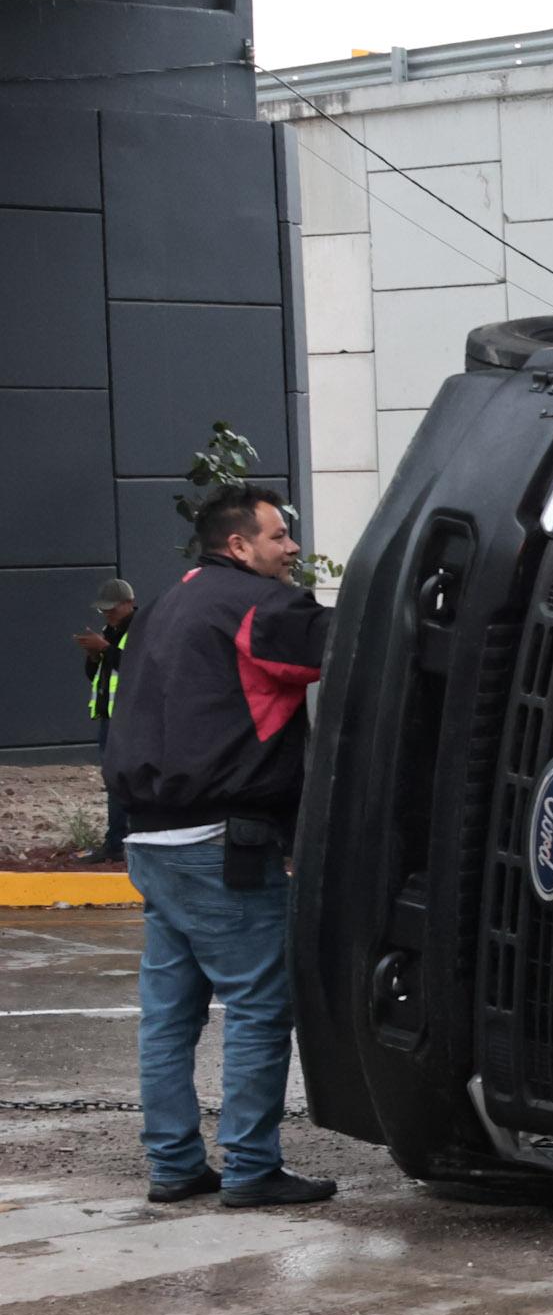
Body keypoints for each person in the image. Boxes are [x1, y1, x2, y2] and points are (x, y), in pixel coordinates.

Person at [101, 485, 339, 1207]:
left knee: (170, 1017)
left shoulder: (164, 606)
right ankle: (251, 1168)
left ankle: (174, 1165)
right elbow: (349, 652)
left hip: (150, 837)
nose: (292, 548)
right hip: (222, 842)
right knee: (262, 1007)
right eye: (278, 537)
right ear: (238, 545)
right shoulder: (258, 607)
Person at [72, 577, 134, 861]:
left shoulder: (138, 628)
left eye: (112, 608)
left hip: (128, 719)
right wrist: (94, 655)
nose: (107, 613)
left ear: (127, 603)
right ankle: (117, 841)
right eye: (104, 609)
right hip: (110, 718)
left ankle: (120, 842)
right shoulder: (110, 630)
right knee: (115, 781)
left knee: (124, 780)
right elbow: (98, 676)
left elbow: (136, 665)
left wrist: (105, 649)